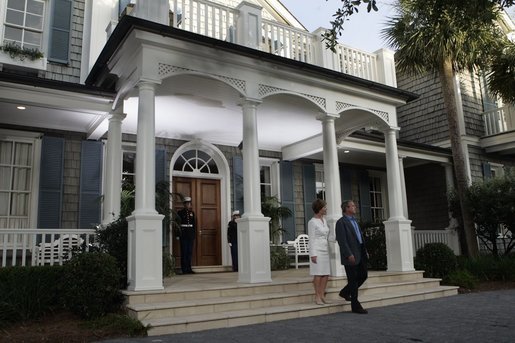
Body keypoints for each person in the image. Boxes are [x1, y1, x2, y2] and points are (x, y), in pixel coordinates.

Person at [335, 200, 369, 314]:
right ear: (346, 208)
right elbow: (342, 241)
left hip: (360, 252)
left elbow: (360, 238)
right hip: (350, 255)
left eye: (354, 205)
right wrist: (348, 254)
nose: (355, 207)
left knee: (364, 275)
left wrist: (365, 251)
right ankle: (355, 306)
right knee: (353, 280)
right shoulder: (341, 222)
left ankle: (345, 292)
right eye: (352, 206)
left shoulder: (355, 220)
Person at [308, 198, 330, 305]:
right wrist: (313, 254)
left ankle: (322, 294)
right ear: (319, 208)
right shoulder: (312, 222)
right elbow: (311, 239)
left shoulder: (324, 220)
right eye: (324, 207)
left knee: (325, 274)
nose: (326, 209)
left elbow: (327, 235)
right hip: (317, 250)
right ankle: (316, 296)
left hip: (325, 249)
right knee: (318, 274)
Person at [177, 196, 196, 274]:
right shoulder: (180, 213)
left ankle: (189, 268)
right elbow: (177, 224)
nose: (188, 205)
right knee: (184, 252)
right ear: (184, 204)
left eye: (189, 203)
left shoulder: (192, 213)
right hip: (183, 234)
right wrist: (177, 235)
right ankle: (184, 269)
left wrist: (194, 234)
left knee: (189, 252)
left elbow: (194, 224)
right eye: (187, 203)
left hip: (190, 234)